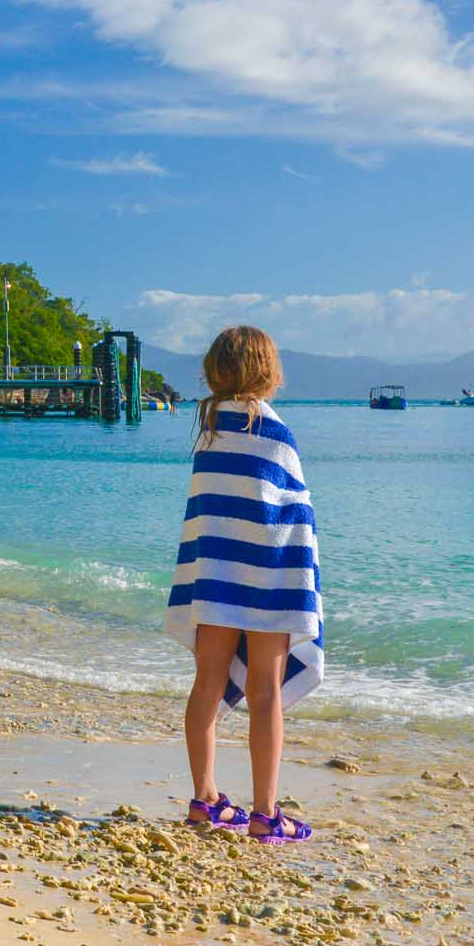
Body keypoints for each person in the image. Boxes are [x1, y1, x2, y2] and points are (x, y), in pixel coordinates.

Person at [164, 326, 323, 843]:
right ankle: (264, 812)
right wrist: (300, 587)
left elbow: (205, 518)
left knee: (206, 682)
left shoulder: (208, 435)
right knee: (266, 694)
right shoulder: (277, 435)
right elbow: (295, 520)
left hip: (215, 579)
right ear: (268, 372)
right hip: (268, 582)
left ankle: (205, 798)